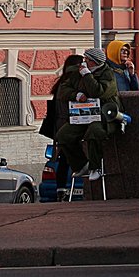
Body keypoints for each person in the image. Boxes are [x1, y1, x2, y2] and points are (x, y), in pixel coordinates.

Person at [56, 47, 121, 182]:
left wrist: (87, 75)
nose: (84, 62)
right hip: (82, 116)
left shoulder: (108, 74)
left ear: (95, 62)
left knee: (94, 131)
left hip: (104, 117)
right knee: (63, 135)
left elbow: (98, 91)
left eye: (87, 60)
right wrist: (77, 94)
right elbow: (63, 90)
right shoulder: (77, 73)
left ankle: (95, 167)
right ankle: (81, 165)